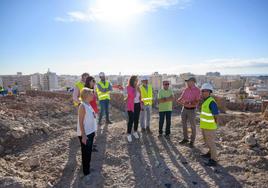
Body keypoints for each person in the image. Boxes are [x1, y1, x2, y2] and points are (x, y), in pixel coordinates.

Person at [77, 88, 97, 182]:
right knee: (86, 153)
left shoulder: (88, 104)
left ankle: (87, 169)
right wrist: (84, 135)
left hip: (90, 132)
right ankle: (86, 173)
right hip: (85, 134)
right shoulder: (82, 106)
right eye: (91, 93)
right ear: (86, 95)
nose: (93, 95)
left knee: (88, 153)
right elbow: (80, 122)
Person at [177, 76, 200, 147]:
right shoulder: (186, 89)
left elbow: (196, 101)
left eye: (188, 81)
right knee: (184, 124)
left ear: (193, 82)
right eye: (186, 81)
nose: (187, 83)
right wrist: (180, 100)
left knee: (192, 126)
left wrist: (189, 103)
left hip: (192, 110)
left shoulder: (197, 90)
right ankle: (185, 138)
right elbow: (181, 97)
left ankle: (192, 141)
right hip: (184, 109)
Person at [200, 83, 219, 166]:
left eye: (205, 91)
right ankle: (209, 153)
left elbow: (216, 115)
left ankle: (213, 159)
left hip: (210, 127)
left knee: (211, 143)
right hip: (204, 126)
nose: (203, 92)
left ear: (210, 92)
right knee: (207, 142)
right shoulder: (206, 101)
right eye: (202, 91)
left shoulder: (211, 102)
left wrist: (214, 124)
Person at [126, 75, 142, 142]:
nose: (137, 81)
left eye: (137, 80)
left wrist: (141, 103)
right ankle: (129, 134)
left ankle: (135, 131)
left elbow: (140, 96)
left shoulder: (138, 87)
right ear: (132, 81)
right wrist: (135, 88)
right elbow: (133, 96)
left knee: (136, 119)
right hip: (131, 106)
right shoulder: (128, 87)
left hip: (138, 105)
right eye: (135, 80)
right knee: (131, 120)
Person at [85, 76, 99, 152]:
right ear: (90, 81)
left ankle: (92, 144)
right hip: (90, 112)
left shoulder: (92, 90)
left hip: (94, 111)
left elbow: (94, 101)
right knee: (90, 129)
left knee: (93, 129)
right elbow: (86, 103)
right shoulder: (86, 91)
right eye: (93, 81)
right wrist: (92, 112)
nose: (94, 83)